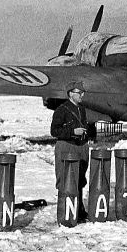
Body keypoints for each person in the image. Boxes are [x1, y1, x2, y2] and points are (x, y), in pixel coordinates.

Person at [50, 81, 89, 221]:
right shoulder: (62, 110)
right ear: (71, 94)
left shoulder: (82, 109)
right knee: (65, 179)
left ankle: (78, 209)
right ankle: (65, 209)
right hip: (66, 146)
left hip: (81, 147)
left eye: (83, 92)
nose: (82, 95)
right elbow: (54, 131)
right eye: (79, 93)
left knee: (80, 178)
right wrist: (73, 131)